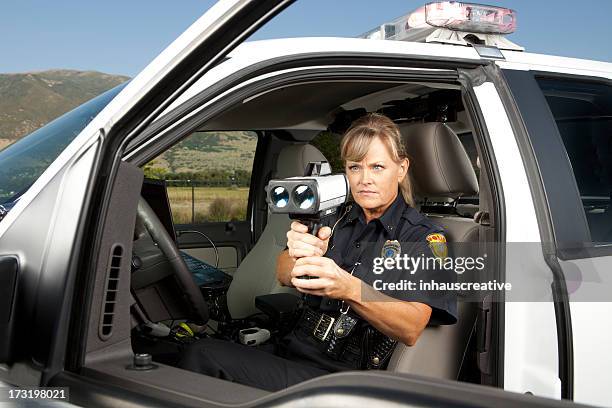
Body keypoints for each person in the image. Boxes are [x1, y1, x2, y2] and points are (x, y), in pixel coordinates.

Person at [177, 113, 457, 391]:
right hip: (294, 347)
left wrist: (349, 288)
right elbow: (283, 274)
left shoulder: (424, 238)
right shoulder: (334, 218)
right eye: (355, 167)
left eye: (378, 167)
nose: (364, 179)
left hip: (341, 374)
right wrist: (298, 255)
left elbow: (412, 327)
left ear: (401, 169)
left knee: (203, 356)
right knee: (189, 347)